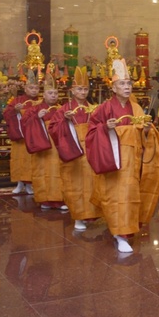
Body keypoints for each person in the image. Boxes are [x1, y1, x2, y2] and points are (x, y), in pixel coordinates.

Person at [86, 59, 159, 253]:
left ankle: (123, 232)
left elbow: (145, 135)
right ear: (113, 88)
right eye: (122, 83)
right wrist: (105, 128)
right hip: (113, 161)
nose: (127, 87)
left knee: (130, 197)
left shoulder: (136, 108)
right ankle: (119, 234)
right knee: (115, 197)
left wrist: (147, 130)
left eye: (129, 83)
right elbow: (91, 131)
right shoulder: (104, 108)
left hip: (133, 163)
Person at [49, 66, 101, 231]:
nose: (83, 92)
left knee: (93, 183)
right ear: (72, 90)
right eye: (79, 89)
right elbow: (53, 128)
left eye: (85, 89)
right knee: (75, 184)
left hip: (91, 151)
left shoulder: (94, 108)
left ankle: (92, 214)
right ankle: (78, 216)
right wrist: (65, 120)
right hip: (73, 151)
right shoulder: (64, 109)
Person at [22, 72, 66, 210]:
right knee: (41, 172)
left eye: (55, 93)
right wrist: (37, 118)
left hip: (58, 146)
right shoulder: (34, 109)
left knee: (58, 171)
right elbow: (24, 124)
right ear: (44, 95)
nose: (53, 96)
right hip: (42, 146)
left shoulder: (62, 109)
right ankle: (44, 200)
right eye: (50, 93)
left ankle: (60, 200)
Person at [3, 71, 39, 195]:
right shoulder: (17, 100)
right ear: (25, 88)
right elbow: (6, 114)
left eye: (36, 88)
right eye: (31, 88)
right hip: (21, 137)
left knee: (31, 161)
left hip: (34, 137)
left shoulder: (40, 102)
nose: (34, 90)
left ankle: (29, 185)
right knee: (19, 160)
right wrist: (15, 110)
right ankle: (19, 183)